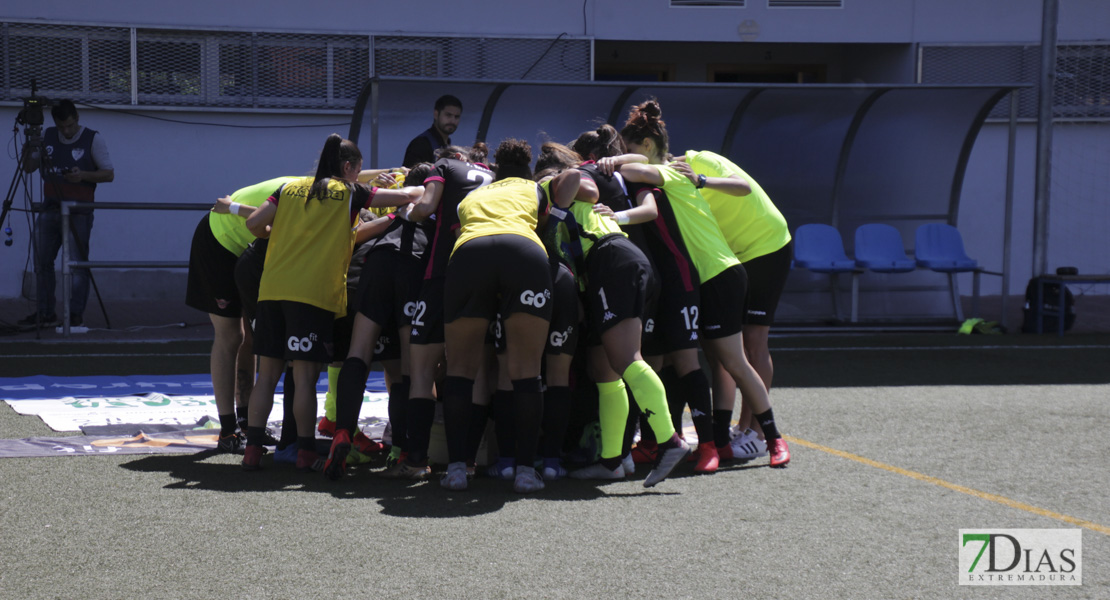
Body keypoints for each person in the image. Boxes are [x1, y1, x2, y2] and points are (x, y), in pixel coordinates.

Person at [614, 99, 791, 468]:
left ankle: (770, 437)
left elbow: (638, 175)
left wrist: (609, 162)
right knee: (719, 358)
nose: (624, 158)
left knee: (738, 356)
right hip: (710, 274)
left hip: (734, 265)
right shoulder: (668, 175)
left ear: (646, 148)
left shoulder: (680, 170)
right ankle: (718, 440)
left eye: (629, 150)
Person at [239, 134, 418, 471]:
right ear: (348, 168)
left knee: (267, 377)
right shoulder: (349, 192)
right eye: (357, 170)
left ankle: (252, 449)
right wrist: (419, 190)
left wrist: (273, 235)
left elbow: (252, 223)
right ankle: (306, 451)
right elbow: (409, 196)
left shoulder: (290, 188)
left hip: (272, 289)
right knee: (305, 379)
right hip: (312, 295)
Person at [437, 138, 561, 493]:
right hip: (523, 252)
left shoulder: (472, 197)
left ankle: (457, 469)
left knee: (460, 371)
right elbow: (544, 222)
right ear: (527, 168)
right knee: (525, 372)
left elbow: (460, 228)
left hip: (470, 253)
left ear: (494, 170)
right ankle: (524, 471)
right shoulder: (535, 189)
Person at [674, 150, 792, 461]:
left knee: (754, 343)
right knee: (728, 347)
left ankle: (752, 432)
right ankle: (731, 428)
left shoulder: (699, 159)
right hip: (735, 257)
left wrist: (700, 180)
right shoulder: (665, 180)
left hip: (767, 245)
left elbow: (742, 186)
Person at [187, 176, 297, 452]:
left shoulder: (335, 187)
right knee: (231, 335)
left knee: (252, 335)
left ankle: (247, 421)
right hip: (220, 241)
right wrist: (233, 207)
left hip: (251, 248)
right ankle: (227, 430)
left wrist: (396, 170)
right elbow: (261, 222)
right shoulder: (315, 192)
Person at [19, 99, 114, 329]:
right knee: (42, 261)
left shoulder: (93, 138)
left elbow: (108, 174)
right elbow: (29, 168)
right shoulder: (47, 136)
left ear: (77, 119)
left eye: (70, 126)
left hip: (79, 210)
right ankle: (45, 312)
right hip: (51, 206)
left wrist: (82, 175)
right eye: (61, 127)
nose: (66, 131)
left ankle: (75, 314)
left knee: (77, 264)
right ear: (55, 123)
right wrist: (30, 145)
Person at [401, 95, 462, 168]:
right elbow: (410, 176)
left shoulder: (447, 144)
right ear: (436, 114)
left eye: (456, 117)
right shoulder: (421, 144)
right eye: (448, 115)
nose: (452, 121)